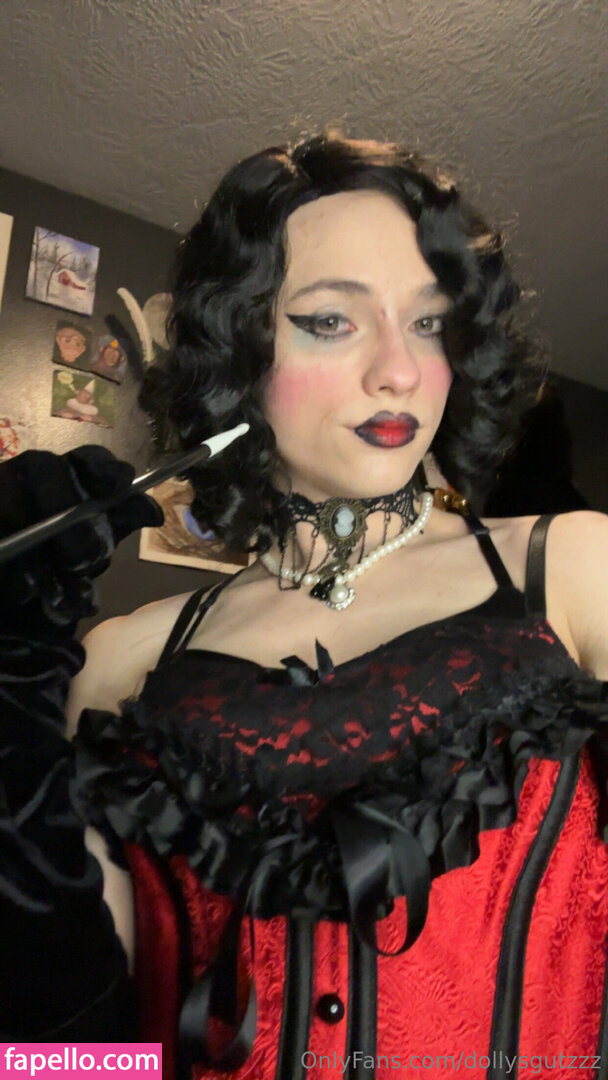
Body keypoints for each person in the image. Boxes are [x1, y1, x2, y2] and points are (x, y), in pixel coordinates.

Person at [2, 134, 608, 1080]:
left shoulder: (572, 568)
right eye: (331, 320)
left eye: (430, 321)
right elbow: (65, 1057)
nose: (399, 370)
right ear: (240, 350)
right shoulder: (123, 661)